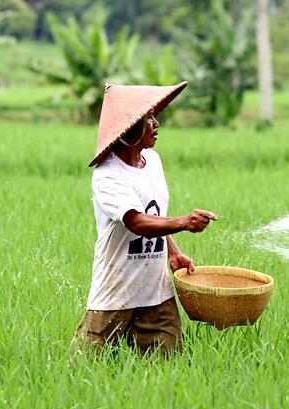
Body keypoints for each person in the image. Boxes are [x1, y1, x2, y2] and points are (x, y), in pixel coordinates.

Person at [74, 81, 217, 355]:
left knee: (167, 366)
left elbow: (155, 215)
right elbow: (136, 221)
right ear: (128, 130)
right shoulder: (108, 175)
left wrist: (172, 251)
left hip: (156, 290)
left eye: (155, 116)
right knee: (86, 368)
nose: (156, 124)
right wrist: (185, 222)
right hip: (116, 290)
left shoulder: (153, 161)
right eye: (148, 118)